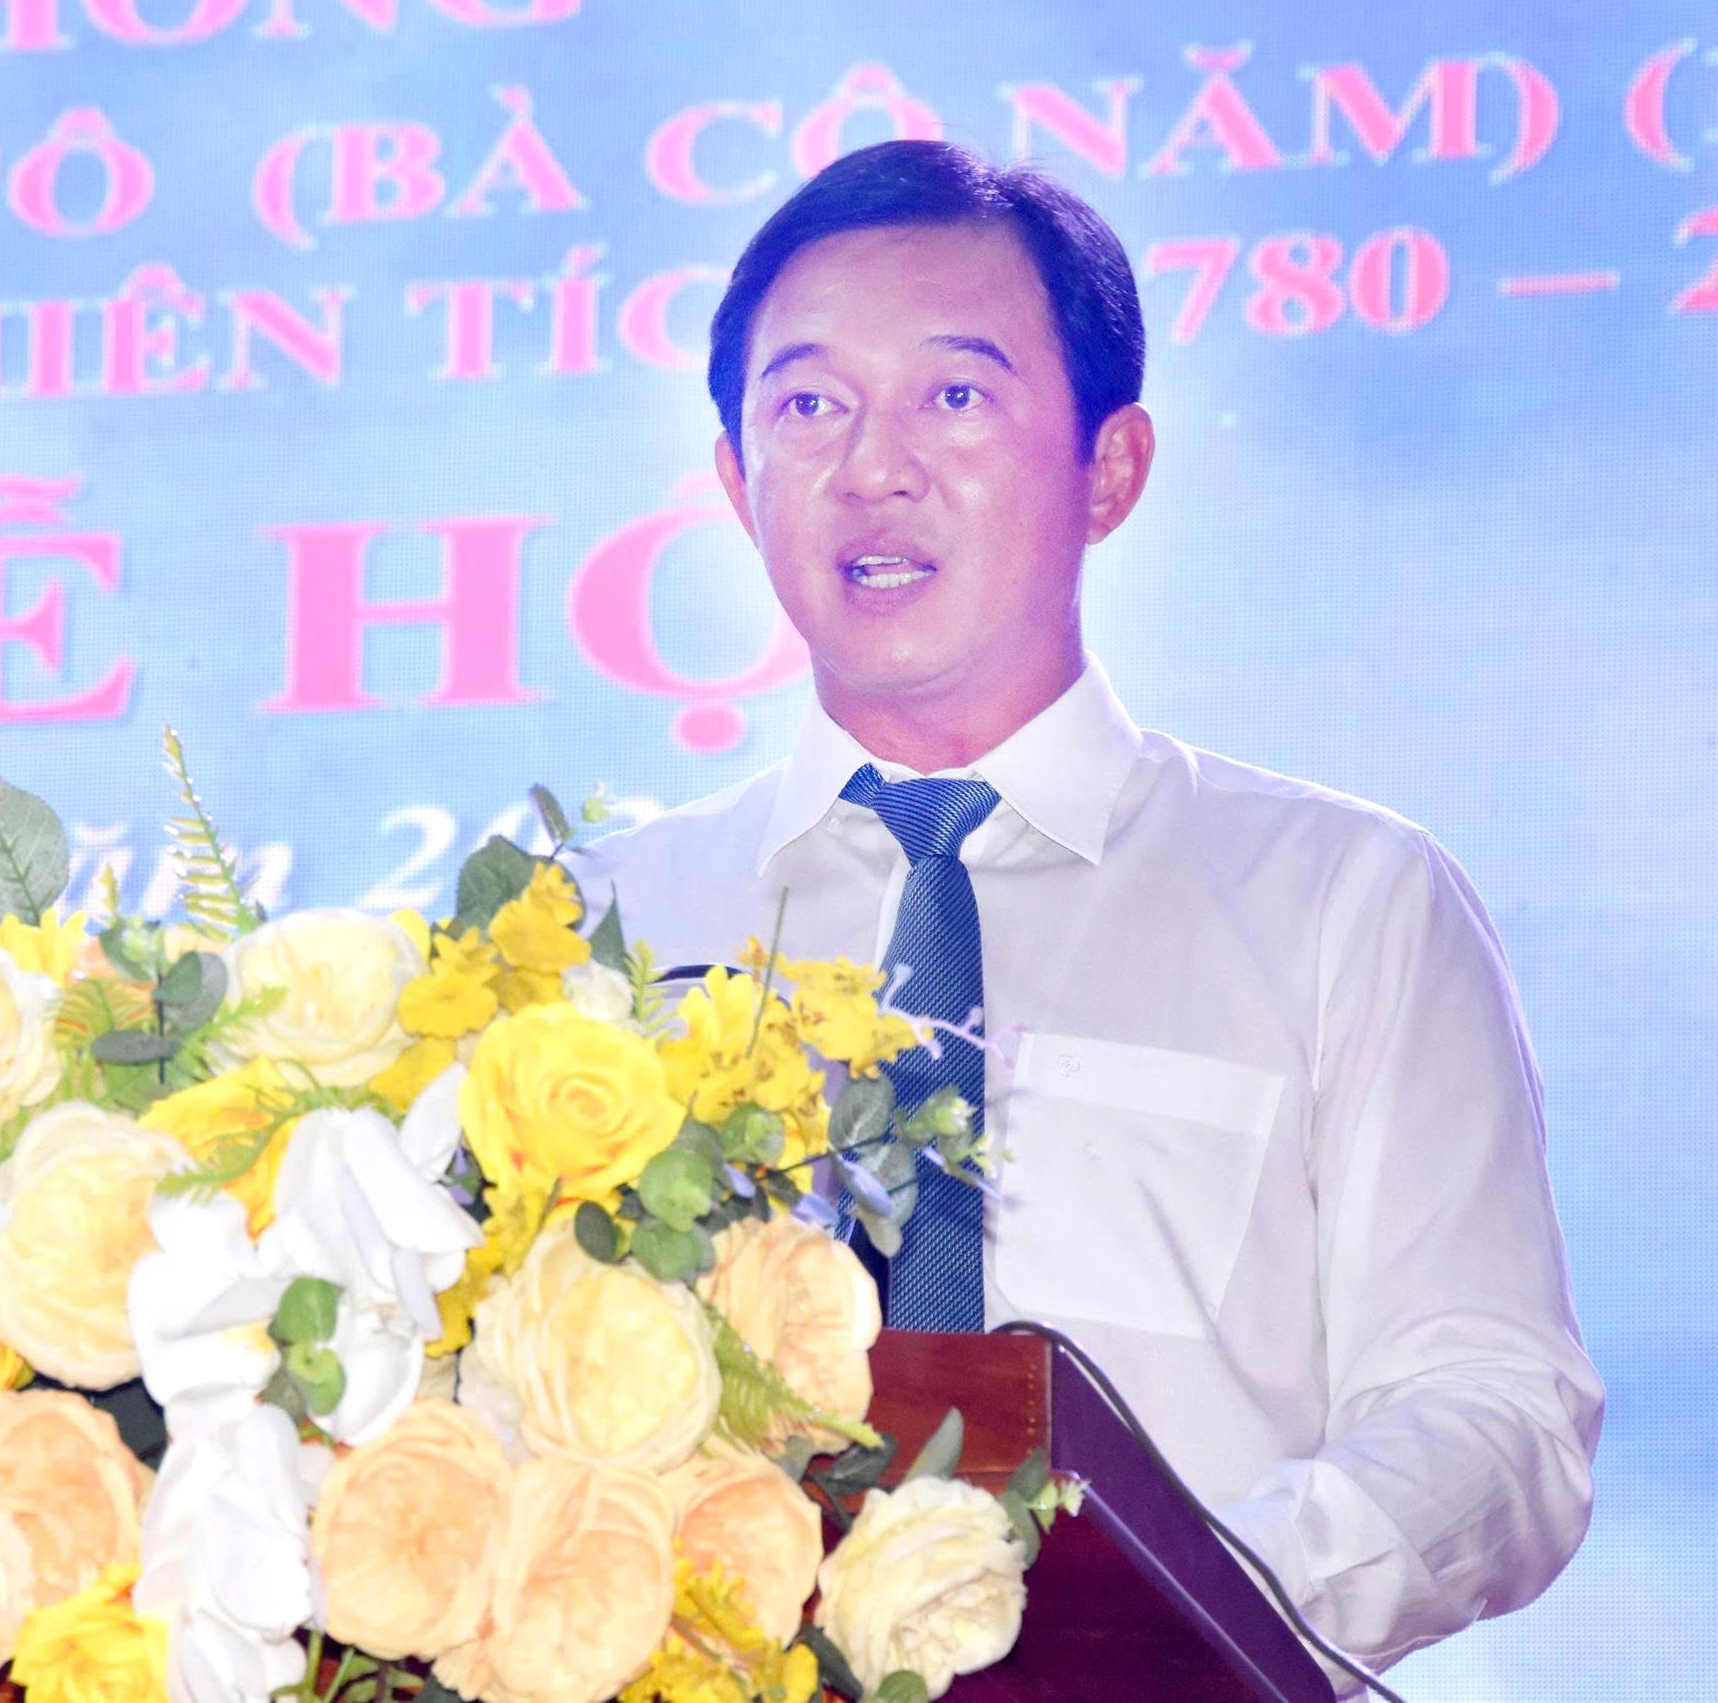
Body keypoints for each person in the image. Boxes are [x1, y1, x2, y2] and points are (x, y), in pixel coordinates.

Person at [567, 140, 1600, 1688]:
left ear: (1111, 469)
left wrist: (1156, 1595)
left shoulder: (1345, 904)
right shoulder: (604, 928)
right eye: (809, 406)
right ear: (734, 477)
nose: (874, 468)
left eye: (954, 396)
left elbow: (1498, 1413)